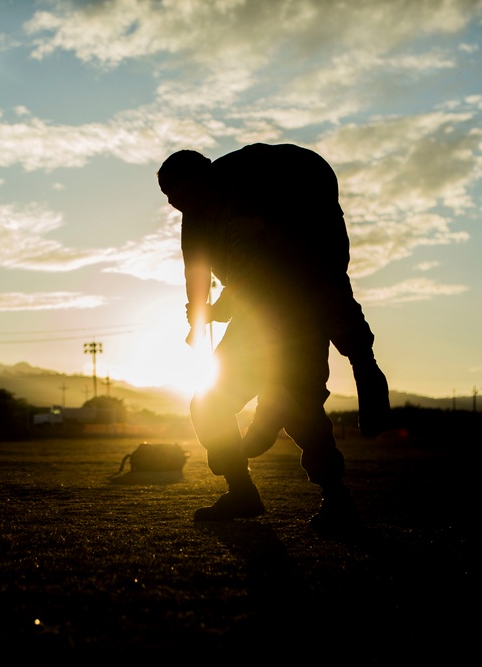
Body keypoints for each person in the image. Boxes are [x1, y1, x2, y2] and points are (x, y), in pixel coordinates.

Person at [157, 143, 390, 530]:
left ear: (203, 178)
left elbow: (287, 271)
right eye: (167, 196)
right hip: (255, 315)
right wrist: (199, 320)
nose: (172, 202)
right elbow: (197, 273)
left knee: (299, 405)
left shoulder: (254, 189)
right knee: (209, 405)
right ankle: (242, 490)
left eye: (176, 190)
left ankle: (335, 494)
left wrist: (360, 355)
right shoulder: (195, 216)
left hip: (299, 305)